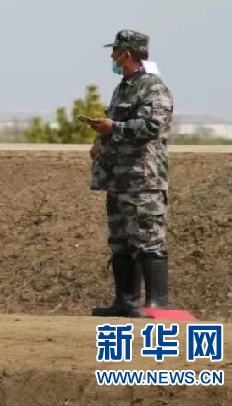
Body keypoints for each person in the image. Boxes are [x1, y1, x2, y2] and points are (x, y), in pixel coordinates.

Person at [87, 30, 173, 318]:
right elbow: (117, 123)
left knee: (149, 238)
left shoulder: (154, 87)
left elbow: (151, 127)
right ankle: (125, 302)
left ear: (127, 54)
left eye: (115, 51)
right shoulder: (123, 87)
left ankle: (157, 304)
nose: (112, 56)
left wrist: (114, 128)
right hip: (119, 178)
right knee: (121, 240)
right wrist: (101, 138)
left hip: (143, 179)